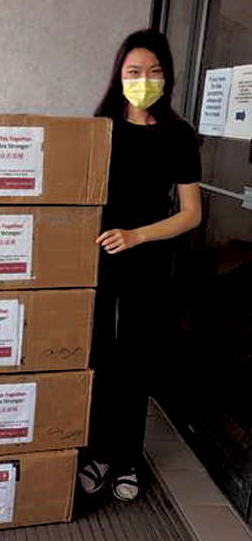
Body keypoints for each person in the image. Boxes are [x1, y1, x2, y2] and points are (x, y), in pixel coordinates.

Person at [78, 29, 202, 502]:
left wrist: (137, 236)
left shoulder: (178, 135)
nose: (143, 80)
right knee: (98, 360)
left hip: (147, 262)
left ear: (166, 77)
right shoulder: (100, 127)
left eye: (153, 72)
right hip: (97, 260)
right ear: (119, 75)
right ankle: (98, 455)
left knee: (134, 364)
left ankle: (128, 459)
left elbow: (191, 213)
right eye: (134, 72)